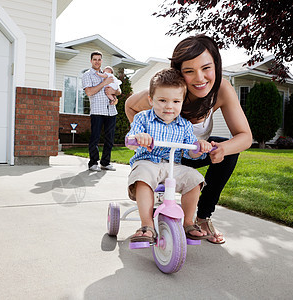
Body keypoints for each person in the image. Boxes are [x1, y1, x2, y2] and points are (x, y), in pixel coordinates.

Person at [125, 34, 252, 244]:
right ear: (178, 72)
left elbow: (245, 136)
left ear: (216, 66)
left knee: (228, 151)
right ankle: (147, 224)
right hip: (158, 152)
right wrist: (144, 136)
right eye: (189, 71)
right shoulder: (165, 92)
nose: (200, 78)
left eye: (206, 68)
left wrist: (221, 149)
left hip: (189, 150)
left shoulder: (221, 90)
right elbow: (130, 105)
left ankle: (200, 219)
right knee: (147, 170)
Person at [126, 68, 213, 243]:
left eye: (175, 101)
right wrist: (139, 138)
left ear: (182, 102)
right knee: (142, 176)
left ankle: (188, 222)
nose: (169, 106)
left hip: (173, 166)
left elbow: (192, 151)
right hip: (147, 162)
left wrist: (200, 147)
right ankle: (147, 225)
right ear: (151, 100)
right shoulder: (143, 118)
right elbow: (130, 140)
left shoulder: (185, 125)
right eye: (163, 100)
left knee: (194, 178)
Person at [82, 51, 121, 172]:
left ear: (101, 61)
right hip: (98, 110)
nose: (97, 62)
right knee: (95, 138)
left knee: (109, 138)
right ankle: (93, 163)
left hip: (111, 110)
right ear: (91, 61)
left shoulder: (107, 74)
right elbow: (89, 92)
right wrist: (104, 83)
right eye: (95, 59)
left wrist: (113, 93)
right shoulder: (87, 75)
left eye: (99, 59)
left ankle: (105, 162)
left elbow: (118, 91)